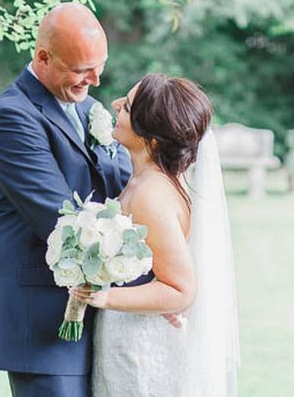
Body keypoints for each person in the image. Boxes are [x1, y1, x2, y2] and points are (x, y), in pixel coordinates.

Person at [0, 3, 132, 397]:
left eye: (100, 66)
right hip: (45, 321)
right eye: (82, 70)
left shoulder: (90, 109)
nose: (95, 80)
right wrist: (154, 282)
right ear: (43, 57)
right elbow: (64, 221)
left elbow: (123, 185)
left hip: (99, 312)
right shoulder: (11, 119)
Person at [72, 73, 240, 397]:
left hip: (142, 348)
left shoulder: (153, 194)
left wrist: (103, 296)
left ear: (151, 135)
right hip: (127, 336)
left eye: (128, 106)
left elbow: (180, 289)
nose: (116, 104)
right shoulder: (143, 181)